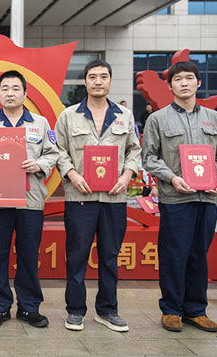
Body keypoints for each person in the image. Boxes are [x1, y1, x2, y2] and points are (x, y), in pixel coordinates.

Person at [142, 61, 217, 333]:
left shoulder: (214, 118)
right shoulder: (158, 119)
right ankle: (171, 309)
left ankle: (196, 310)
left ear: (198, 83)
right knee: (174, 255)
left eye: (189, 78)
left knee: (199, 255)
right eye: (178, 79)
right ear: (170, 86)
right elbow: (149, 157)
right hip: (176, 199)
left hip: (207, 199)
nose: (184, 83)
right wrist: (171, 178)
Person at [55, 59, 141, 332]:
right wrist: (72, 174)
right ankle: (75, 310)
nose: (98, 81)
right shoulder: (69, 115)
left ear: (110, 81)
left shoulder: (124, 116)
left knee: (110, 256)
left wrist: (126, 176)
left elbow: (134, 150)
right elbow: (58, 150)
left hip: (114, 199)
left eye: (103, 76)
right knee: (77, 256)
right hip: (80, 198)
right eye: (92, 77)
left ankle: (107, 310)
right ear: (85, 82)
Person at [0, 71, 59, 329]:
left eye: (15, 88)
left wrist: (39, 164)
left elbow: (53, 153)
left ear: (25, 93)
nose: (10, 93)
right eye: (5, 88)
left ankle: (29, 307)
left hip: (30, 200)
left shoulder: (40, 123)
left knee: (28, 255)